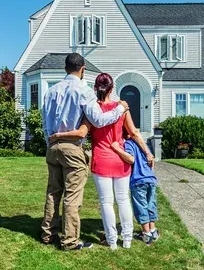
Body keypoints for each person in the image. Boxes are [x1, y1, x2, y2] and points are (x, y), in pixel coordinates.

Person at [50, 72, 154, 250]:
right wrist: (147, 153)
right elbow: (134, 133)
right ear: (112, 88)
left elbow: (82, 132)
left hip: (101, 160)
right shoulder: (121, 108)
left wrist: (58, 135)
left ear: (95, 88)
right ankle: (127, 239)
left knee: (106, 202)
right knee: (123, 200)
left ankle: (112, 241)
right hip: (120, 159)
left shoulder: (92, 110)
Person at [41, 53, 129, 251]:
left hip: (53, 145)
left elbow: (44, 121)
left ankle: (48, 233)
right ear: (82, 69)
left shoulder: (51, 91)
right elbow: (98, 120)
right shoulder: (84, 91)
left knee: (53, 192)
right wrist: (120, 109)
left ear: (65, 68)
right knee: (72, 195)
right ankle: (70, 241)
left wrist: (50, 140)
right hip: (72, 147)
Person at [111, 128, 159, 246]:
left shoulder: (128, 144)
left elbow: (130, 159)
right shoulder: (143, 145)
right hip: (150, 178)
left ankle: (146, 233)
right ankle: (153, 230)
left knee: (141, 206)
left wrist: (117, 149)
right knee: (151, 203)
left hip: (138, 180)